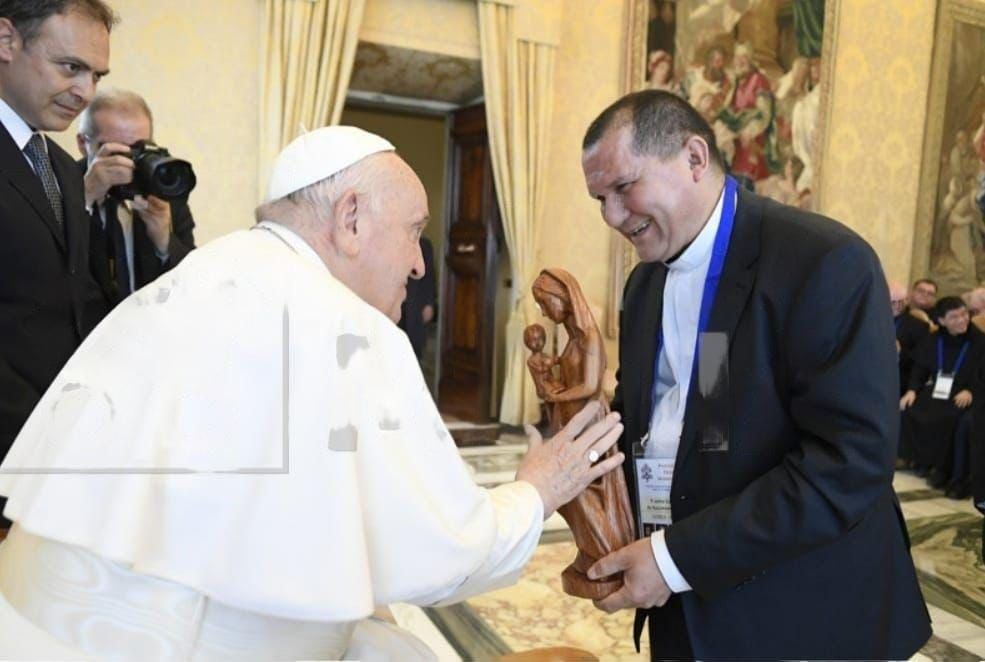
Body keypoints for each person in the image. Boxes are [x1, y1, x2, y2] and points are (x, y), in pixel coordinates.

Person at [0, 126, 626, 659]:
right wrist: (537, 489)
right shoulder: (350, 329)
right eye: (413, 232)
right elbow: (445, 553)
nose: (418, 264)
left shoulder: (202, 274)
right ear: (351, 218)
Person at [579, 90, 930, 659]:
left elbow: (849, 463)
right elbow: (702, 411)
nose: (612, 217)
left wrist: (675, 558)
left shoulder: (824, 261)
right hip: (686, 603)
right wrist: (577, 456)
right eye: (600, 199)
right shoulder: (645, 282)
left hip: (803, 614)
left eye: (624, 187)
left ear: (694, 158)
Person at [0, 0, 115, 527]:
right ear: (6, 41)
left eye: (97, 75)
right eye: (71, 67)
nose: (85, 92)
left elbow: (76, 302)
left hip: (53, 471)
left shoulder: (65, 170)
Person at [77, 88, 196, 306]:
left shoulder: (163, 190)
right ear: (83, 144)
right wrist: (85, 198)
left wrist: (164, 242)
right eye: (116, 151)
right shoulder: (62, 185)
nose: (127, 161)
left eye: (138, 148)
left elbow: (191, 283)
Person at [900, 296, 985, 495]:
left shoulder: (980, 341)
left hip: (965, 393)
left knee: (952, 417)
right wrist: (912, 390)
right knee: (913, 409)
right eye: (954, 317)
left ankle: (943, 469)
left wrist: (971, 391)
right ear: (941, 321)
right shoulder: (933, 339)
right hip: (939, 389)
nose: (962, 320)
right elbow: (920, 368)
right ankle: (921, 460)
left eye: (964, 314)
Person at [397, 235, 436, 359]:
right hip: (396, 302)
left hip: (415, 302)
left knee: (414, 347)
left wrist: (429, 303)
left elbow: (429, 276)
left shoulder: (424, 245)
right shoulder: (393, 241)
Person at [892, 281, 932, 398]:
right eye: (893, 302)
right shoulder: (871, 320)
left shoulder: (919, 326)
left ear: (907, 300)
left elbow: (920, 360)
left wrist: (900, 352)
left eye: (901, 302)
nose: (897, 306)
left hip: (898, 378)